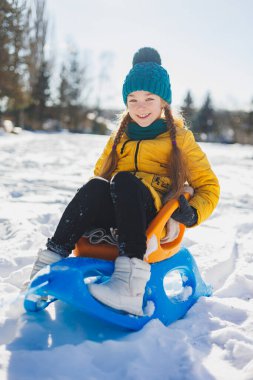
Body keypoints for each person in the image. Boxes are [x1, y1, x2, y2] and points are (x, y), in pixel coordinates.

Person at [30, 47, 220, 316]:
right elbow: (101, 178)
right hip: (120, 212)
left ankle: (129, 285)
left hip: (152, 218)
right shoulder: (120, 136)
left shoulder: (179, 138)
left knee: (124, 180)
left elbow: (209, 186)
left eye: (149, 99)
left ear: (163, 102)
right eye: (132, 100)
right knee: (97, 184)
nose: (140, 107)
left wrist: (192, 212)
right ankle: (49, 264)